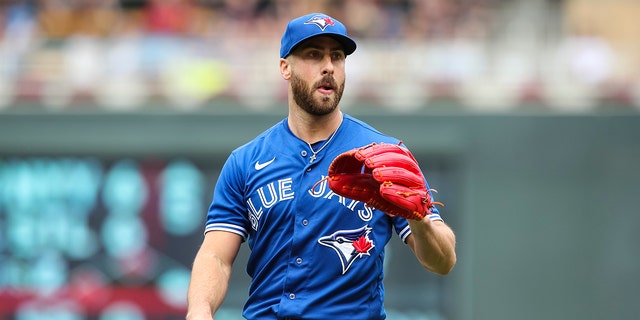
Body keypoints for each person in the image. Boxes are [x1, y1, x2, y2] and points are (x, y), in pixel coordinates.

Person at [186, 13, 456, 320]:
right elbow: (216, 257)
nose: (328, 66)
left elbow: (443, 261)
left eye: (337, 57)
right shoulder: (245, 161)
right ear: (285, 67)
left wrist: (419, 217)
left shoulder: (385, 156)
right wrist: (199, 310)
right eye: (314, 55)